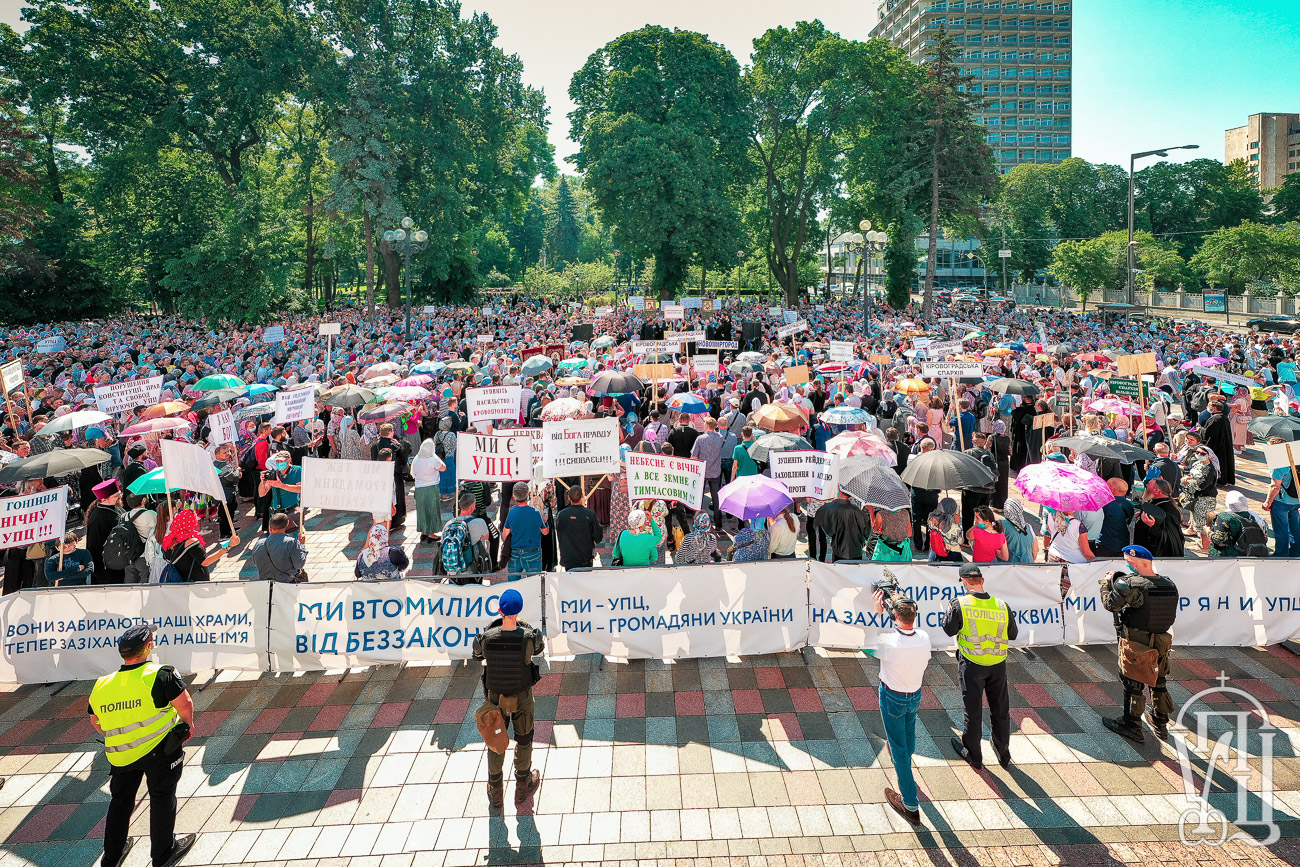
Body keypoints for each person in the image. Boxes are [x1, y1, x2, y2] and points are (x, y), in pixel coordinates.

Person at [88, 624, 196, 867]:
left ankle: (112, 857)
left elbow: (96, 721)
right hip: (160, 751)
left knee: (120, 801)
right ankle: (163, 853)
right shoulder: (161, 674)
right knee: (161, 797)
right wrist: (188, 725)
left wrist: (119, 734)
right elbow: (185, 704)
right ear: (149, 647)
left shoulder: (102, 684)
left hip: (121, 756)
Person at [471, 587, 543, 808]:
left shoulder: (486, 637)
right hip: (522, 695)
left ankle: (496, 791)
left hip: (495, 698)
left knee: (495, 741)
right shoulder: (529, 636)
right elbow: (537, 650)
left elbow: (476, 655)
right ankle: (522, 787)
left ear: (500, 610)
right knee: (524, 739)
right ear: (519, 610)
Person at [1100, 545, 1178, 743]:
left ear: (1135, 563)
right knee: (1158, 680)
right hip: (1162, 640)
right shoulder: (1169, 584)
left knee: (1132, 682)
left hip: (1136, 640)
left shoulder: (1130, 583)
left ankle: (1132, 725)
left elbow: (1111, 604)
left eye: (1129, 562)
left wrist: (1106, 584)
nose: (1128, 565)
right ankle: (1161, 722)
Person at [943, 563, 1017, 770]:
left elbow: (949, 629)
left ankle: (974, 756)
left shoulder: (960, 604)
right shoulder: (1002, 605)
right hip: (998, 665)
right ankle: (1003, 754)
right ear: (982, 581)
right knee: (1000, 710)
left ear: (964, 582)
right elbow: (1013, 634)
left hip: (972, 665)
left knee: (973, 712)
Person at [870, 589, 930, 827]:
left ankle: (910, 803)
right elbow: (901, 634)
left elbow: (870, 646)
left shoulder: (888, 642)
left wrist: (877, 615)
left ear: (894, 616)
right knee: (907, 735)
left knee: (899, 749)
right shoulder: (924, 637)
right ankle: (901, 756)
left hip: (892, 695)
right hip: (914, 694)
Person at [160, 509, 233, 582]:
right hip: (196, 583)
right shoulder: (191, 541)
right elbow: (205, 561)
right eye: (195, 519)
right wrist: (226, 547)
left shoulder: (169, 540)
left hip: (181, 582)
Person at [502, 481, 547, 580]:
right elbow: (545, 531)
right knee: (534, 585)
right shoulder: (536, 512)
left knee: (513, 585)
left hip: (515, 553)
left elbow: (505, 535)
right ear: (528, 495)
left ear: (514, 496)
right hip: (533, 553)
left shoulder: (512, 512)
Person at [811, 490, 870, 562]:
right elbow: (866, 532)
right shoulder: (857, 511)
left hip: (839, 550)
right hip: (856, 550)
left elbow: (828, 530)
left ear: (839, 490)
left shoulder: (830, 508)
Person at [86, 479, 127, 584]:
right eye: (116, 496)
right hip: (107, 572)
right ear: (104, 499)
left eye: (119, 494)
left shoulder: (115, 507)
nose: (120, 497)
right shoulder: (97, 519)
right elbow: (95, 548)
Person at [249, 512, 309, 582]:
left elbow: (256, 562)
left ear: (270, 526)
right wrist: (302, 545)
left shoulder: (259, 543)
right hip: (287, 584)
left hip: (266, 586)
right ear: (287, 523)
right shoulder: (291, 542)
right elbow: (299, 564)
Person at [555, 485, 602, 570]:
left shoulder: (561, 515)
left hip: (569, 560)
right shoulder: (590, 514)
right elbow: (598, 538)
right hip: (585, 559)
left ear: (569, 498)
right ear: (582, 496)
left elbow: (559, 535)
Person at [257, 449, 302, 533]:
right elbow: (262, 494)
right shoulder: (274, 473)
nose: (278, 463)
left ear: (289, 460)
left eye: (281, 461)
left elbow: (300, 489)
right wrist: (262, 482)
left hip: (291, 511)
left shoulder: (297, 470)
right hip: (275, 513)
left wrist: (281, 485)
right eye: (277, 461)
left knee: (294, 538)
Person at [412, 438, 447, 543]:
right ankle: (431, 534)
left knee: (422, 511)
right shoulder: (433, 459)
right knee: (432, 510)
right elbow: (443, 468)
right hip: (431, 487)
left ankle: (423, 532)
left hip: (419, 488)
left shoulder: (416, 458)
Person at [1093, 478, 1135, 558]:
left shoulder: (1105, 504)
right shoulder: (1129, 505)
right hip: (1123, 543)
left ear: (1112, 489)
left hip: (1105, 543)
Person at [926, 498, 964, 563]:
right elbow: (960, 541)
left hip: (936, 552)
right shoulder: (953, 526)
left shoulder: (932, 519)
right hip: (952, 554)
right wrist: (957, 521)